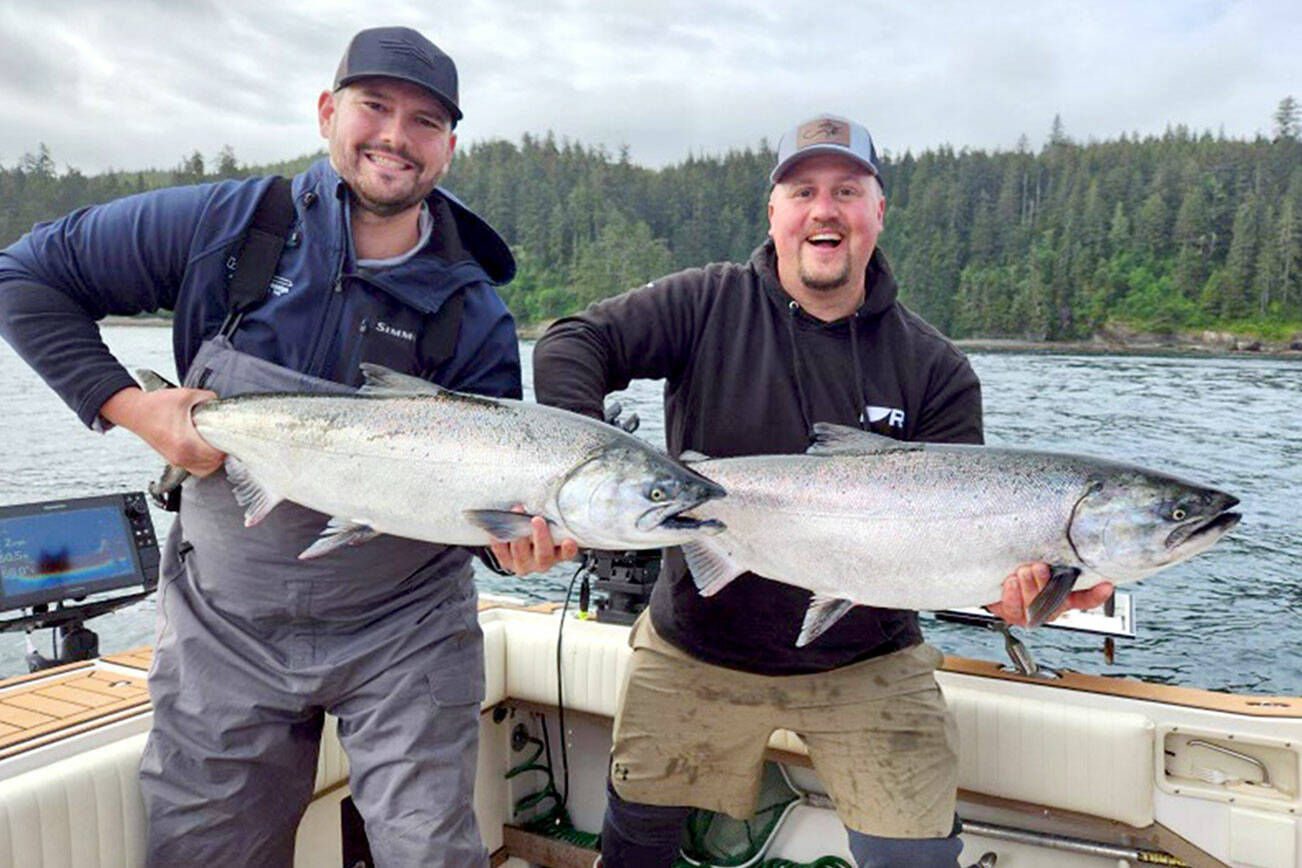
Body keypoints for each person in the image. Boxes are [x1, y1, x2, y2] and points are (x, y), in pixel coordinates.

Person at [503, 114, 1114, 868]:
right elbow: (573, 340)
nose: (825, 209)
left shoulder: (936, 368)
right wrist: (588, 464)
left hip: (869, 661)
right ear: (774, 212)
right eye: (803, 191)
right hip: (697, 645)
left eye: (847, 191)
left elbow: (964, 548)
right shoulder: (706, 303)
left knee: (915, 860)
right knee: (635, 849)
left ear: (878, 211)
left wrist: (1023, 595)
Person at [0, 27, 519, 867]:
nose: (396, 136)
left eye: (426, 121)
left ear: (449, 148)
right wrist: (134, 408)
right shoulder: (230, 226)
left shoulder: (477, 312)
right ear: (327, 113)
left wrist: (519, 547)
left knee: (431, 850)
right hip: (224, 626)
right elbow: (23, 277)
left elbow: (492, 506)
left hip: (407, 629)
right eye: (375, 106)